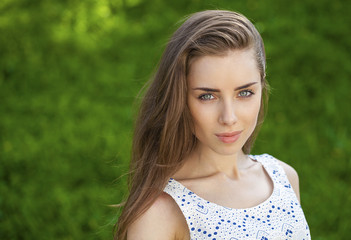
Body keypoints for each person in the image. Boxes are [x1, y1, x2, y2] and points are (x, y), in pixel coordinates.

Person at [114, 10, 311, 240]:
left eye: (245, 92)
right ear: (180, 98)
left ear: (262, 86)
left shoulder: (284, 178)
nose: (229, 117)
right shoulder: (159, 212)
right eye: (207, 96)